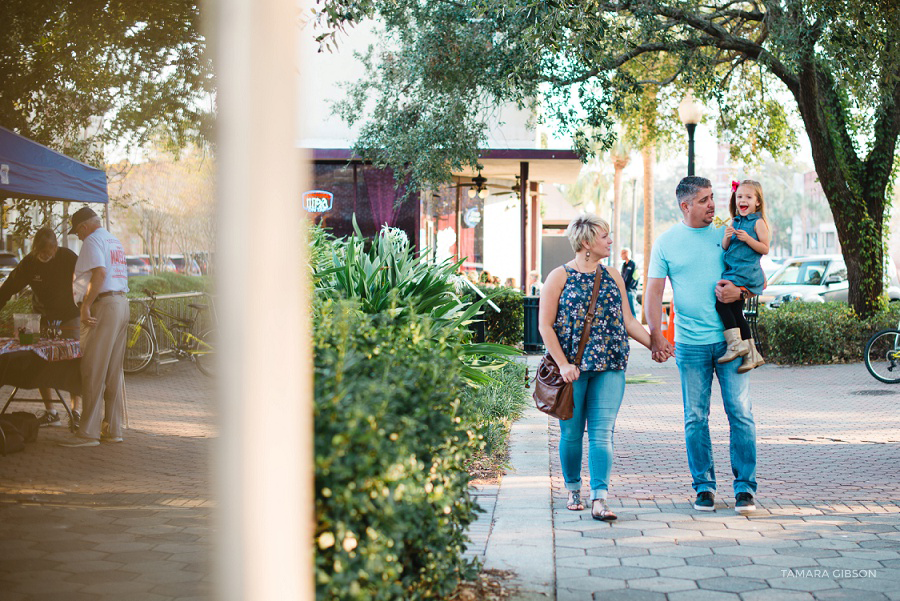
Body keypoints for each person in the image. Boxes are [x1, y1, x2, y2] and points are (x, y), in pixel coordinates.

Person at [645, 176, 758, 514]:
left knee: (740, 414)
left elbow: (755, 276)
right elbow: (652, 293)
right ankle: (704, 486)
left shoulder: (728, 233)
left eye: (713, 198)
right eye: (705, 200)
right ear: (686, 205)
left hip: (732, 341)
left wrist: (741, 292)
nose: (713, 205)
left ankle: (745, 489)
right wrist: (656, 336)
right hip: (691, 345)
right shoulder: (666, 242)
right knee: (695, 417)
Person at [538, 213, 656, 521]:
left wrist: (655, 344)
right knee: (572, 433)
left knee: (603, 433)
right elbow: (545, 326)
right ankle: (574, 488)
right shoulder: (559, 277)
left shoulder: (613, 275)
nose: (611, 241)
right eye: (605, 236)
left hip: (611, 365)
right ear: (588, 242)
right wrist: (563, 365)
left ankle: (599, 498)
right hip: (573, 369)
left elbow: (628, 321)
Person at [60, 207, 129, 447]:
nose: (78, 237)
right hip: (120, 303)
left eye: (77, 232)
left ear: (83, 227)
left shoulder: (91, 241)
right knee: (112, 372)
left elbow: (99, 273)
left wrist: (85, 306)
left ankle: (87, 432)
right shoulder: (113, 240)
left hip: (104, 306)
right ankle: (112, 428)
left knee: (92, 369)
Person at [0, 227, 82, 425]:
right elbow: (10, 286)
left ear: (55, 248)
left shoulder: (68, 257)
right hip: (43, 318)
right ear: (35, 249)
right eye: (41, 253)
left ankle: (76, 412)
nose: (44, 256)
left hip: (69, 317)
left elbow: (85, 277)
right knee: (40, 360)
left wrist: (87, 305)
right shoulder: (29, 262)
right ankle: (51, 412)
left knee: (73, 361)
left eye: (48, 253)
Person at [717, 180, 768, 372]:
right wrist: (727, 236)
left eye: (748, 197)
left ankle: (737, 345)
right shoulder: (735, 221)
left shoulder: (758, 223)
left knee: (721, 304)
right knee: (737, 313)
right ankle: (753, 355)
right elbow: (725, 247)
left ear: (757, 202)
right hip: (733, 272)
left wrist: (748, 239)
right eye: (739, 197)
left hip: (744, 274)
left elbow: (765, 248)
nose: (742, 200)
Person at [620, 248, 638, 318]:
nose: (621, 256)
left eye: (622, 254)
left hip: (630, 291)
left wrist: (630, 288)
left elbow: (636, 277)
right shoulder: (624, 265)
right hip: (624, 290)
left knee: (632, 311)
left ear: (626, 254)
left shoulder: (633, 264)